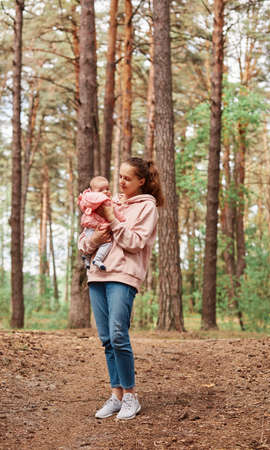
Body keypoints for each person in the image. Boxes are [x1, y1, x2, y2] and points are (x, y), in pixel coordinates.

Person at [78, 157, 164, 420]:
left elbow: (136, 242)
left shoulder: (147, 208)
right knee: (106, 339)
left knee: (118, 335)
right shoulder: (108, 201)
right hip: (97, 274)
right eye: (120, 176)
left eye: (128, 178)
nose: (121, 182)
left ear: (142, 181)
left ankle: (130, 396)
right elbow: (84, 239)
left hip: (123, 276)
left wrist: (112, 220)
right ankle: (116, 395)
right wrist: (93, 239)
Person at [77, 176, 125, 271]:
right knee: (104, 243)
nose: (105, 192)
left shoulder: (106, 201)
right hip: (92, 227)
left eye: (107, 189)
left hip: (97, 228)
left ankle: (91, 258)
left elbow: (114, 212)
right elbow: (115, 212)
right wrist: (122, 219)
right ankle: (94, 258)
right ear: (92, 191)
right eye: (101, 190)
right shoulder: (93, 200)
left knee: (105, 243)